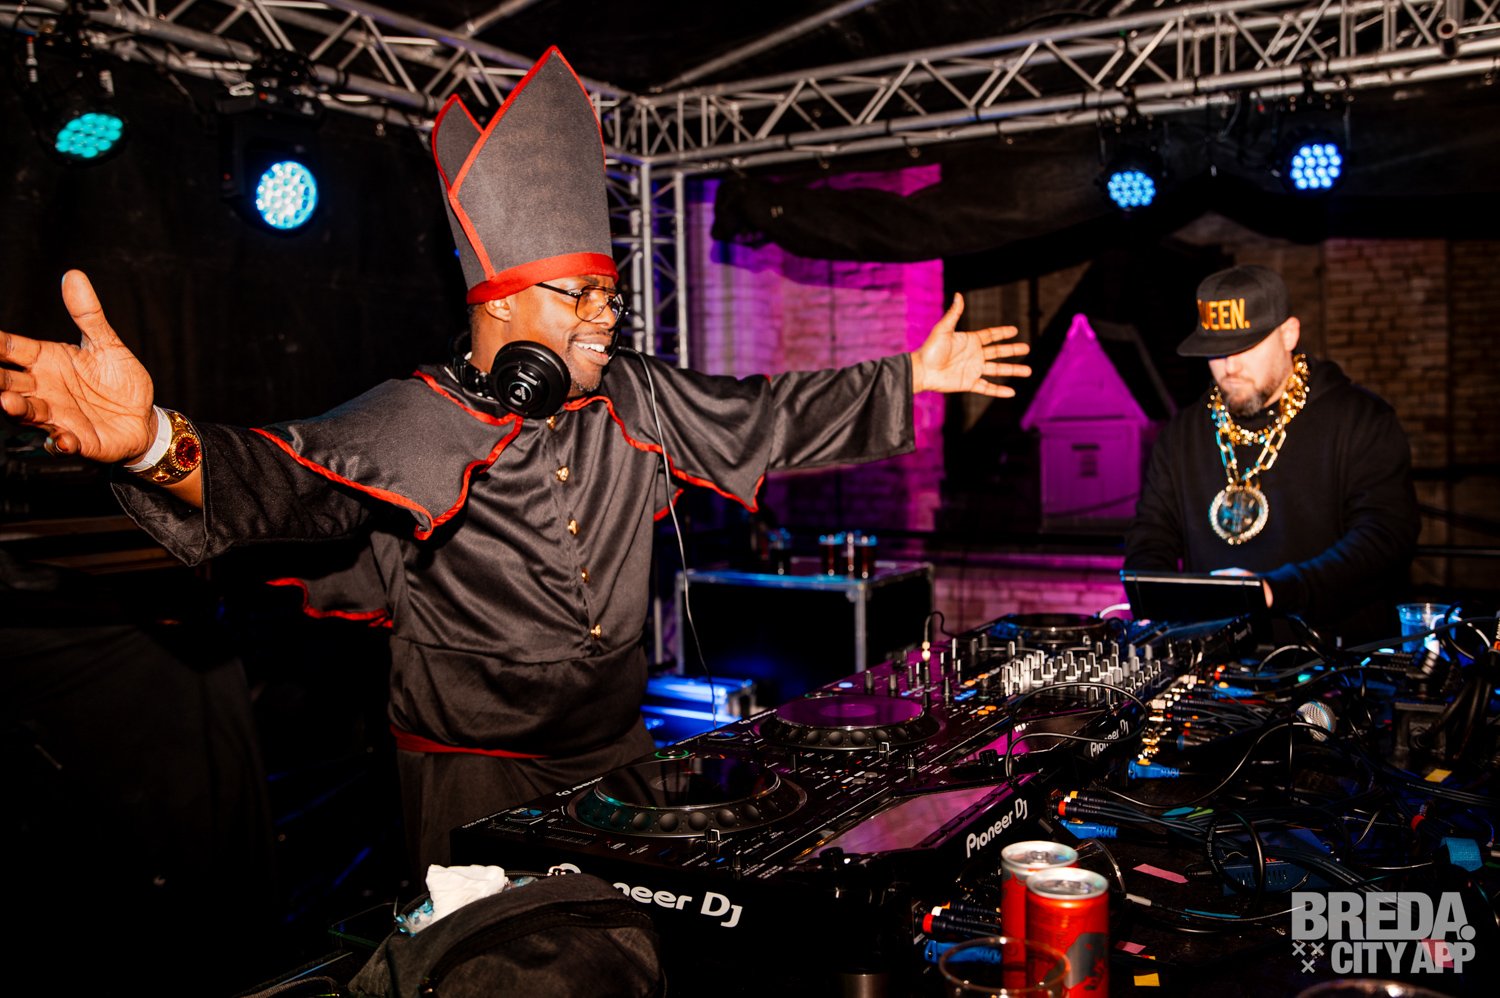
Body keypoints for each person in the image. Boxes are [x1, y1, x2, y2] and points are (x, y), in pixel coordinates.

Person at [0, 48, 1031, 874]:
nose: (606, 316)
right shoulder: (415, 416)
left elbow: (768, 416)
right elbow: (280, 480)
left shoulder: (637, 395)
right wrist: (150, 439)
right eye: (578, 296)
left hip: (617, 754)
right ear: (497, 308)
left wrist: (912, 374)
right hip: (469, 774)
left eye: (610, 293)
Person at [1124, 264, 1419, 645]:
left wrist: (1274, 590)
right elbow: (1150, 538)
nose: (1230, 367)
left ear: (1288, 334)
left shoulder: (1360, 419)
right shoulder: (1182, 435)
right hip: (1216, 662)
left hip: (1334, 658)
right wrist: (1156, 606)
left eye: (1245, 347)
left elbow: (1385, 537)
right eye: (1215, 352)